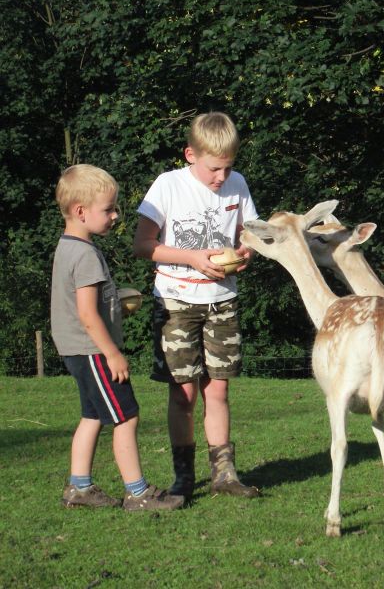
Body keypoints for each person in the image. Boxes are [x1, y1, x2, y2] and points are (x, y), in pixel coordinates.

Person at [133, 111, 259, 500]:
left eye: (228, 168)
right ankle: (183, 478)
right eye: (214, 169)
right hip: (176, 301)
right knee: (182, 393)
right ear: (191, 154)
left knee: (217, 391)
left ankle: (224, 475)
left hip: (222, 301)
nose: (222, 178)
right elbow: (142, 245)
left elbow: (250, 233)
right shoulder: (167, 185)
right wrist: (192, 259)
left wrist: (245, 252)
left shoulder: (237, 184)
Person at [51, 164, 184, 512]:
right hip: (94, 350)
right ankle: (137, 493)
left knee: (93, 415)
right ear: (81, 212)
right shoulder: (85, 255)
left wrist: (116, 306)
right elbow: (86, 314)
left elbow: (85, 306)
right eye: (108, 209)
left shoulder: (68, 247)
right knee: (126, 416)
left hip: (76, 349)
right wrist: (112, 353)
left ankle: (79, 488)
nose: (115, 216)